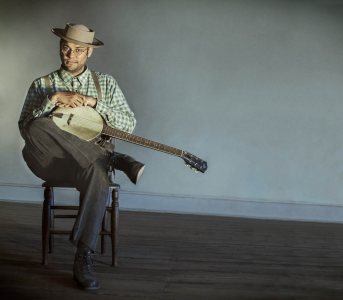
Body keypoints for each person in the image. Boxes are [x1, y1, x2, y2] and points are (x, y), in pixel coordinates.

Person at [18, 23, 145, 290]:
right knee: (38, 125)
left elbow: (129, 124)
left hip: (85, 166)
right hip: (48, 161)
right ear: (59, 48)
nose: (70, 55)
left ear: (89, 52)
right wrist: (51, 100)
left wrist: (94, 103)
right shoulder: (43, 84)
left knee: (97, 173)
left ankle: (83, 257)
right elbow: (25, 129)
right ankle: (111, 159)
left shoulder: (106, 84)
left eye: (78, 50)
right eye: (66, 48)